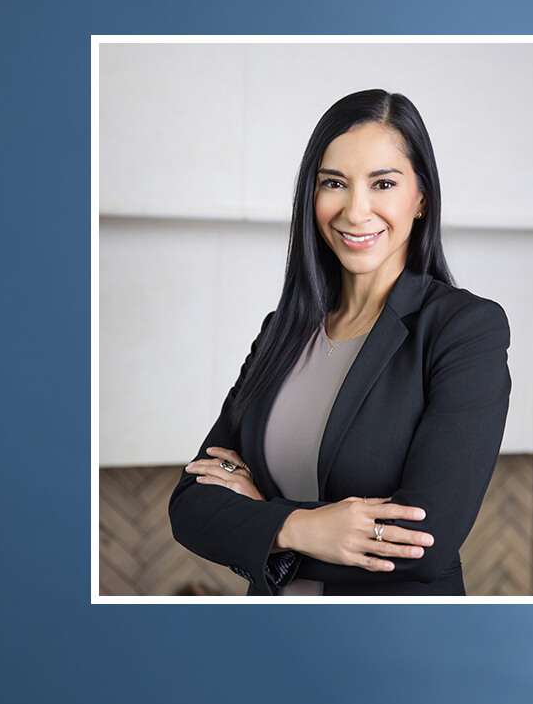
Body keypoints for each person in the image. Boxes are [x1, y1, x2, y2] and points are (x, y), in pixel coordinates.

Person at [169, 89, 511, 596]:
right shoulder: (282, 330)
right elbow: (191, 504)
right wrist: (302, 528)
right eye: (335, 183)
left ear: (421, 198)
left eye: (383, 183)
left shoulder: (464, 330)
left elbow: (422, 545)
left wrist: (263, 518)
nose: (356, 210)